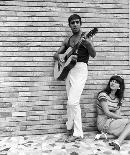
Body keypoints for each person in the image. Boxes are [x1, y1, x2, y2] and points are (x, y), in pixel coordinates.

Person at [54, 14, 96, 142]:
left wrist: (88, 45)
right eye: (73, 22)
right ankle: (70, 126)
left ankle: (77, 133)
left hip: (80, 69)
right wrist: (59, 57)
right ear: (70, 25)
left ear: (81, 23)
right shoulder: (68, 40)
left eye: (77, 22)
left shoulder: (86, 38)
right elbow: (56, 54)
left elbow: (93, 54)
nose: (75, 24)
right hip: (68, 70)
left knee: (73, 102)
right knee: (70, 102)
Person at [96, 75, 130, 151]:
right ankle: (118, 141)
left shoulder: (119, 98)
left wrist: (110, 120)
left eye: (116, 82)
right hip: (103, 123)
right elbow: (107, 112)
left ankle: (107, 136)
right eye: (112, 81)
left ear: (119, 86)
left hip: (112, 121)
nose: (112, 83)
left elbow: (117, 115)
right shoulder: (103, 95)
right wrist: (121, 119)